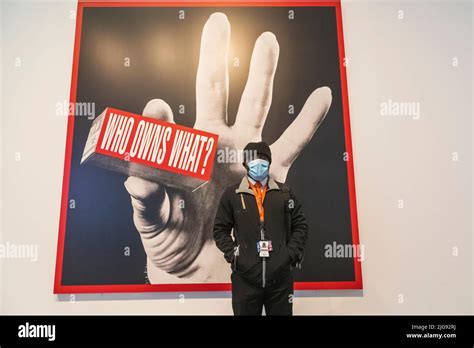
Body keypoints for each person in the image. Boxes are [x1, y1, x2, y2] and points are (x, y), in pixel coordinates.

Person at [213, 141, 309, 315]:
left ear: (269, 161)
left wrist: (288, 255)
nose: (258, 162)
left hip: (280, 280)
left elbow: (300, 225)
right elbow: (220, 230)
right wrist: (235, 256)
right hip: (245, 279)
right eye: (253, 159)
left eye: (263, 158)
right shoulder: (232, 194)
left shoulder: (285, 193)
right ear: (245, 163)